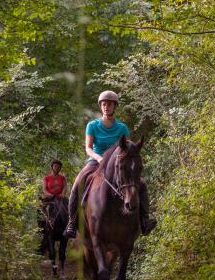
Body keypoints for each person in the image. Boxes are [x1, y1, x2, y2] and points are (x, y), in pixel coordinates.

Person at [63, 90, 157, 239]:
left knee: (141, 183)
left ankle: (145, 220)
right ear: (101, 106)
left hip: (117, 165)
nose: (106, 107)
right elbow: (88, 148)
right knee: (77, 183)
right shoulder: (92, 125)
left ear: (115, 107)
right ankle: (71, 222)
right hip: (96, 161)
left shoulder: (122, 128)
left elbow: (127, 149)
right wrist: (99, 158)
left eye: (110, 104)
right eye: (104, 104)